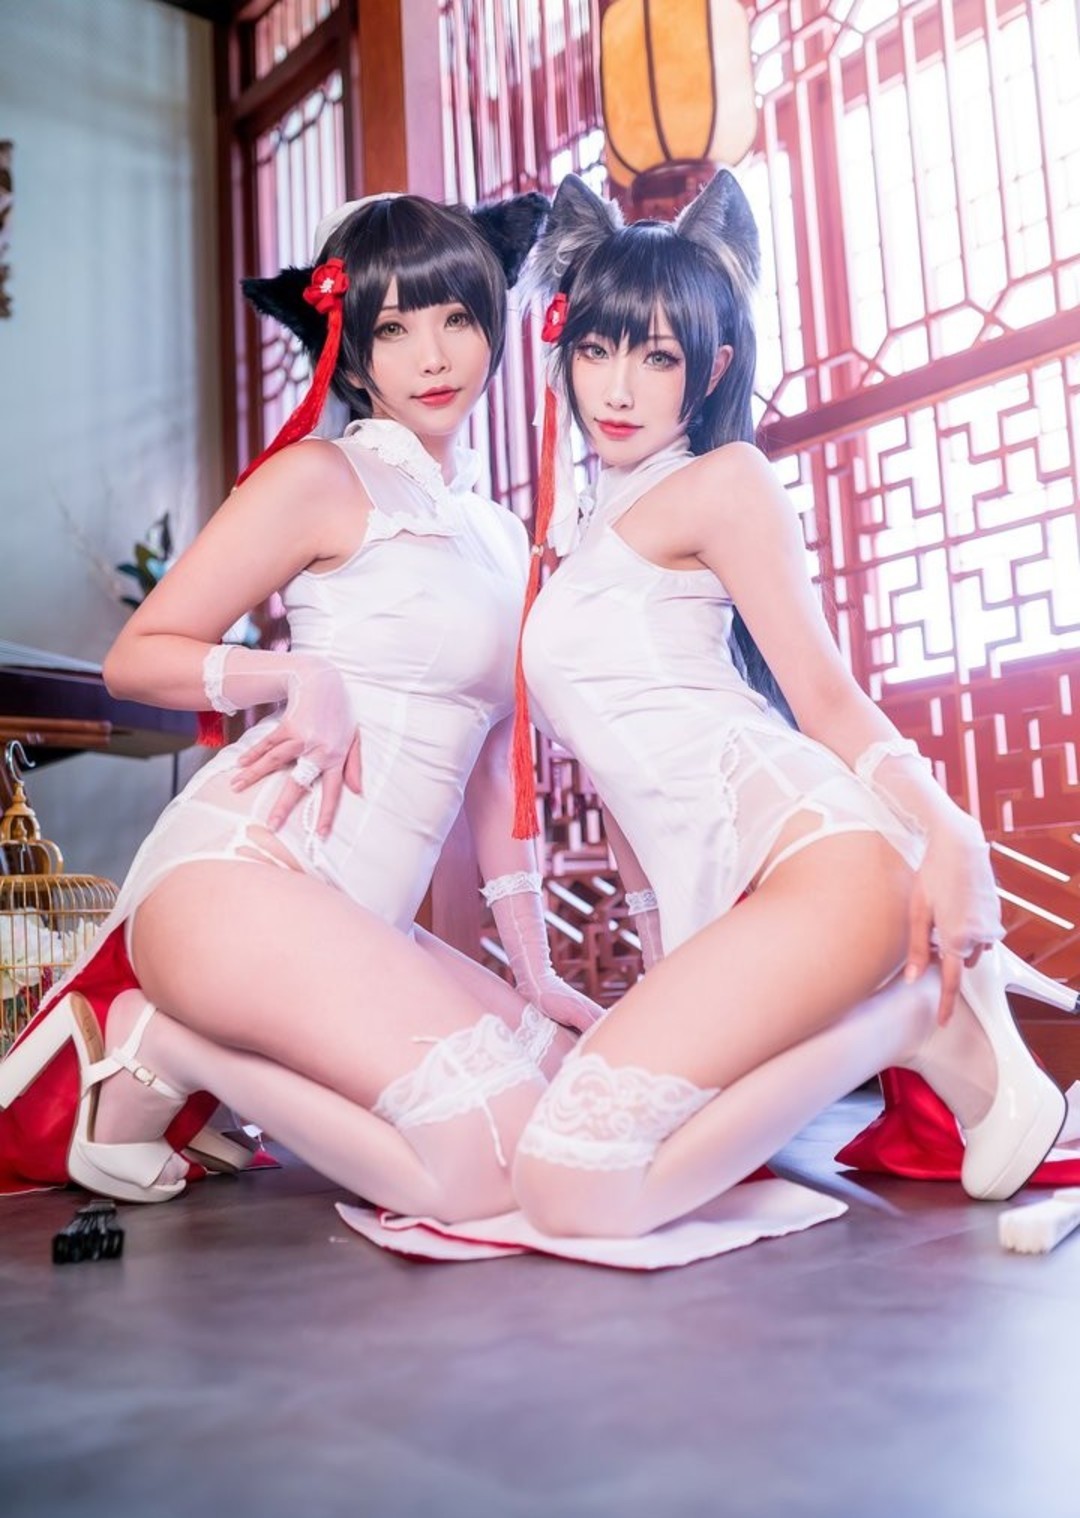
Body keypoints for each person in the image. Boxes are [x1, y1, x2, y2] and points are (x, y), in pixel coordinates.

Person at [0, 190, 600, 1217]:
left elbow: (498, 773)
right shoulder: (321, 478)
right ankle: (170, 1044)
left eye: (457, 318)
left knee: (576, 1121)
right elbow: (135, 660)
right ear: (351, 355)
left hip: (357, 924)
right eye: (393, 329)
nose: (433, 356)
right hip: (241, 881)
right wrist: (294, 676)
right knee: (488, 1174)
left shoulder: (502, 538)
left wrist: (536, 971)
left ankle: (189, 1068)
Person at [506, 170, 1076, 1239]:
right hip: (745, 905)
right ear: (564, 350)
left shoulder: (724, 481)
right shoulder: (576, 542)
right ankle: (913, 1024)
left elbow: (823, 694)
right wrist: (664, 962)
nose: (618, 386)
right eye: (595, 349)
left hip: (824, 860)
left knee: (569, 1182)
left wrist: (950, 831)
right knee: (585, 1171)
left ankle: (915, 1019)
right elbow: (624, 783)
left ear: (712, 367)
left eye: (657, 357)